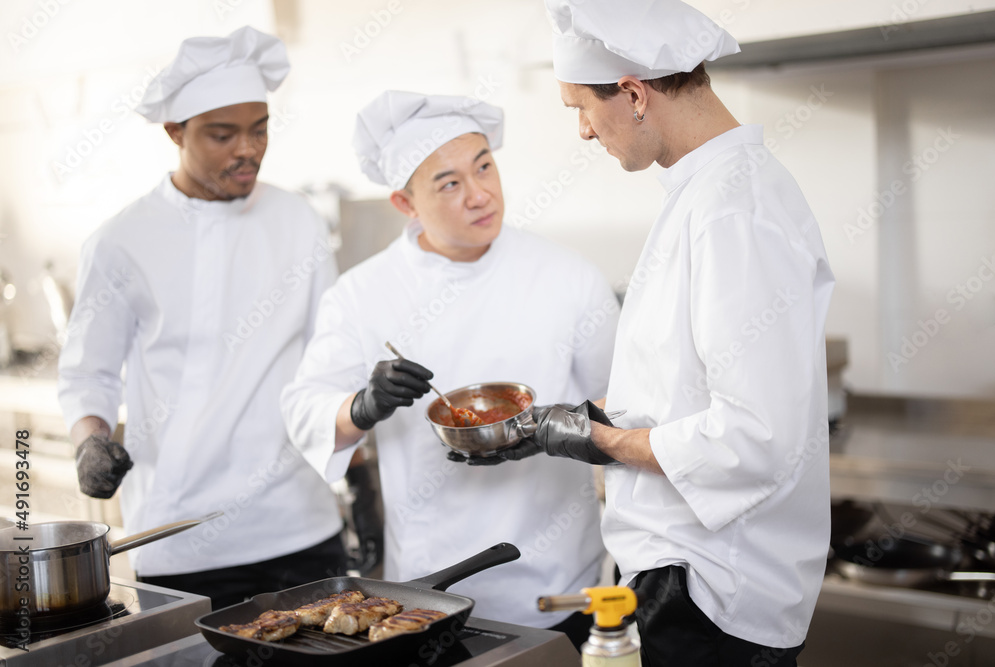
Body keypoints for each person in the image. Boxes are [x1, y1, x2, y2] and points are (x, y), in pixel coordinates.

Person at [481, 1, 836, 664]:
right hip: (689, 573)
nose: (584, 133)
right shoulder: (707, 194)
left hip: (715, 593)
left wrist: (601, 438)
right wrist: (576, 426)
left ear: (635, 95)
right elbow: (688, 393)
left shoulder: (735, 211)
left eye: (579, 108)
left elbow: (754, 437)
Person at [280, 90, 619, 647]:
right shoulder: (362, 294)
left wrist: (553, 429)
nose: (480, 193)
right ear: (405, 204)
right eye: (449, 183)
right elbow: (304, 410)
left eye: (485, 166)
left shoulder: (568, 277)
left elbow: (624, 406)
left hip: (559, 582)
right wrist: (364, 406)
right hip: (427, 594)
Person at [57, 26, 349, 609]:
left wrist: (361, 470)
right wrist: (89, 442)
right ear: (175, 132)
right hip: (180, 537)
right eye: (223, 134)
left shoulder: (298, 221)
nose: (248, 149)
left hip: (301, 523)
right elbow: (88, 376)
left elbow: (332, 358)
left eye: (260, 129)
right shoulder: (122, 241)